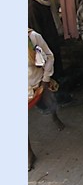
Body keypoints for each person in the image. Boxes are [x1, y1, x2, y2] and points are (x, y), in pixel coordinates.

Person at [28, 28, 65, 171]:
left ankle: (54, 116)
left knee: (49, 102)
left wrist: (46, 79)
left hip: (37, 80)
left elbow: (49, 56)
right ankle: (29, 153)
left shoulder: (33, 37)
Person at [28, 0, 64, 79]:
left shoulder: (47, 2)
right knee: (50, 74)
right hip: (45, 46)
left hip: (53, 42)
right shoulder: (34, 8)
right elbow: (37, 31)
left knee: (57, 71)